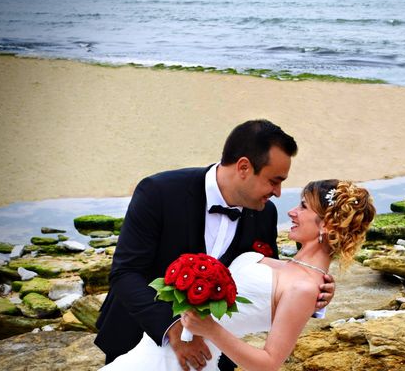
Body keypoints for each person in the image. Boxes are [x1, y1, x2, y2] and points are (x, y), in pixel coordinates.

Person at [95, 119, 335, 370]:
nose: (277, 192)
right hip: (139, 337)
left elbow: (273, 289)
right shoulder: (159, 191)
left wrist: (316, 292)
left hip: (212, 357)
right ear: (244, 167)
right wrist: (173, 329)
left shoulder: (265, 213)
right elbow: (125, 272)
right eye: (274, 180)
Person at [100, 179, 376, 371]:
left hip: (189, 361)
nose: (291, 211)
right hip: (151, 349)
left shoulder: (306, 287)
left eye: (303, 206)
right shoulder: (291, 270)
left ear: (326, 224)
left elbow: (269, 364)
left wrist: (210, 329)